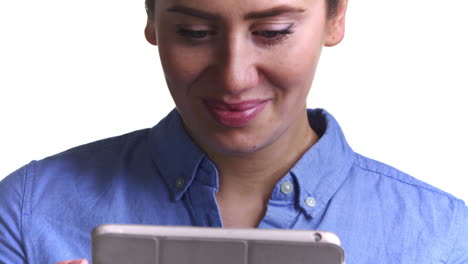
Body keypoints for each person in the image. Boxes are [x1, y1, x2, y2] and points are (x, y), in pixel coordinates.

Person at [0, 0, 467, 263]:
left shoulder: (445, 237)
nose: (234, 78)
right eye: (195, 32)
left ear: (336, 16)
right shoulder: (27, 213)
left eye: (274, 31)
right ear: (151, 19)